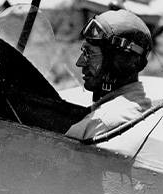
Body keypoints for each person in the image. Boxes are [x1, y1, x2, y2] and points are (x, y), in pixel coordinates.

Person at [65, 9, 153, 141]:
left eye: (90, 54)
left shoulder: (98, 125)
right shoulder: (141, 108)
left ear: (119, 62)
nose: (80, 63)